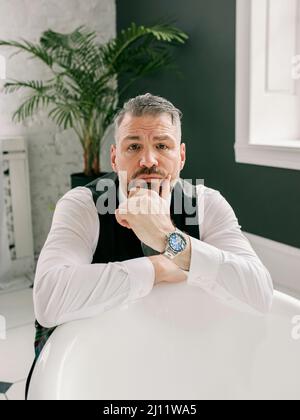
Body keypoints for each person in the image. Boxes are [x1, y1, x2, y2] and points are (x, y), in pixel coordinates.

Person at [25, 93, 273, 398]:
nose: (148, 160)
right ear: (115, 158)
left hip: (179, 349)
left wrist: (168, 240)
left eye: (162, 146)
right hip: (98, 358)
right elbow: (49, 302)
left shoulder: (207, 204)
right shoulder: (83, 205)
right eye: (134, 147)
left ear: (180, 156)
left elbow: (259, 292)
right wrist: (160, 266)